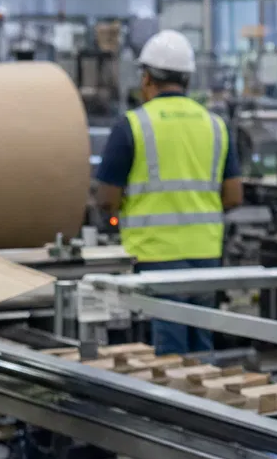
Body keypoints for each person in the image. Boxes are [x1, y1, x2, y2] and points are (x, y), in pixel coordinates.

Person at [94, 29, 242, 355]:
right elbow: (233, 196)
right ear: (187, 79)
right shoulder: (216, 125)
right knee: (202, 349)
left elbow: (106, 199)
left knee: (169, 353)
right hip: (206, 253)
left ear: (147, 78)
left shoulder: (132, 125)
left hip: (154, 255)